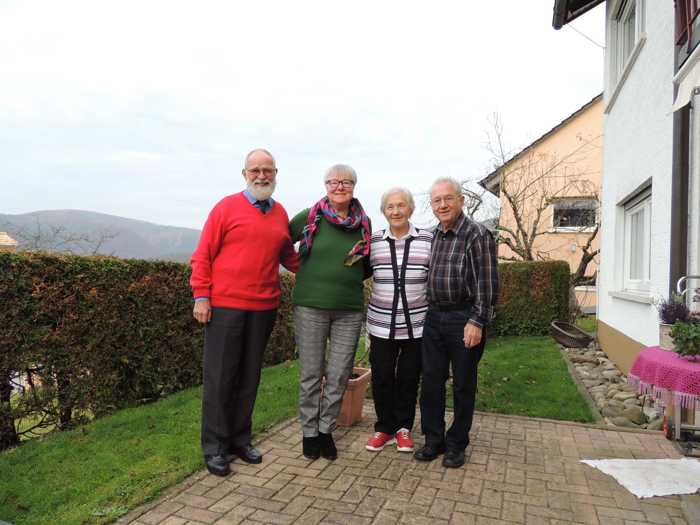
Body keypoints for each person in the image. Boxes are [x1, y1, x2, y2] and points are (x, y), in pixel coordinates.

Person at [190, 148, 299, 477]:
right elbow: (202, 255)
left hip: (264, 308)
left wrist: (325, 264)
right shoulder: (226, 207)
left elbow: (289, 258)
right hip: (225, 308)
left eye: (267, 170)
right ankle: (215, 447)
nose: (261, 175)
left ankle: (240, 440)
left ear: (276, 173)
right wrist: (201, 296)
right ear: (244, 174)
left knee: (249, 378)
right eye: (255, 170)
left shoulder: (280, 214)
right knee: (220, 379)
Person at [414, 177, 499, 468]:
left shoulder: (477, 235)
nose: (442, 205)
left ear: (461, 200)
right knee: (431, 382)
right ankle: (433, 440)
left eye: (448, 198)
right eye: (437, 200)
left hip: (464, 318)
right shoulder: (434, 235)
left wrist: (477, 321)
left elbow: (487, 284)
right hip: (434, 317)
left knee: (463, 384)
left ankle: (456, 444)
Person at [289, 164, 372, 461]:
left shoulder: (364, 222)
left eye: (346, 182)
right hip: (310, 306)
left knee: (337, 374)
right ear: (325, 185)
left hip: (348, 309)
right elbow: (281, 243)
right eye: (333, 182)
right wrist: (301, 270)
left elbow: (365, 262)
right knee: (311, 373)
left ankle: (326, 430)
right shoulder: (310, 216)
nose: (340, 187)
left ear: (354, 186)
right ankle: (309, 433)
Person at [365, 187, 433, 453]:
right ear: (384, 211)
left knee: (408, 378)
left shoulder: (427, 239)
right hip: (381, 324)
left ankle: (403, 429)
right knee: (381, 377)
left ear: (411, 208)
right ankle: (384, 428)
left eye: (401, 205)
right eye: (390, 207)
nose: (396, 211)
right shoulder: (374, 241)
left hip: (417, 324)